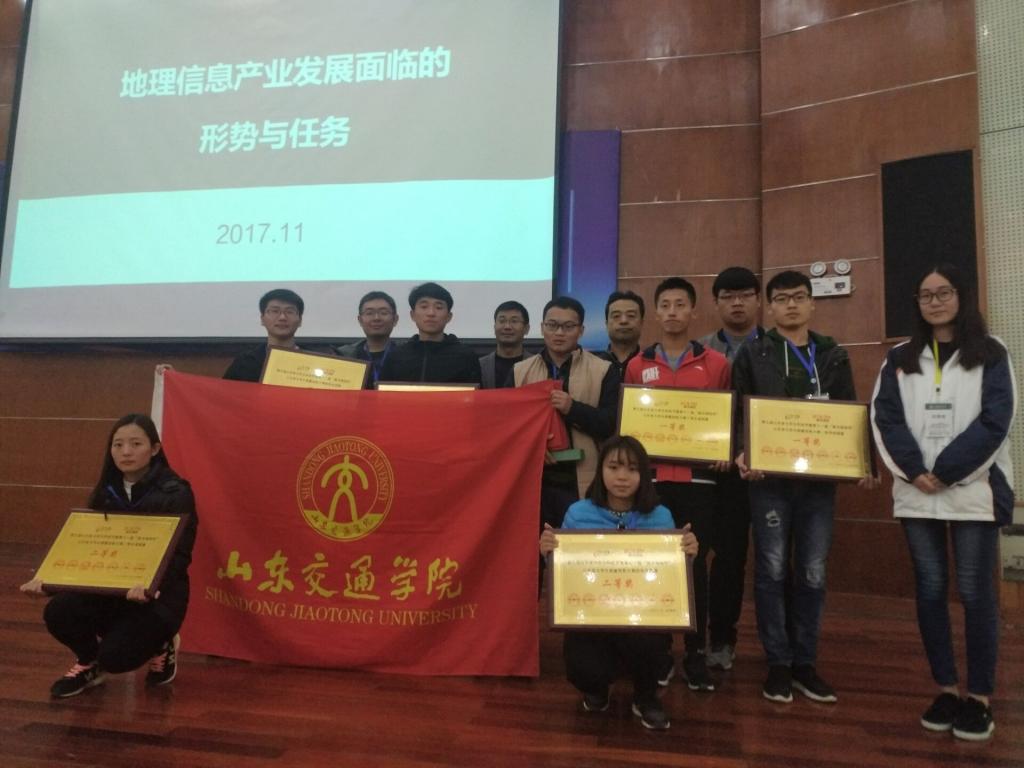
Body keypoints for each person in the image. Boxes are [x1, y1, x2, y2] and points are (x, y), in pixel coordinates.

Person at [871, 264, 1015, 741]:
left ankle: (980, 697)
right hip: (916, 492)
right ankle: (947, 689)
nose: (934, 302)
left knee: (975, 593)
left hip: (973, 490)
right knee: (930, 590)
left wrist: (947, 470)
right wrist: (915, 470)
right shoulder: (899, 357)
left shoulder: (992, 353)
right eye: (925, 295)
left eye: (943, 292)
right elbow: (885, 419)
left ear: (961, 296)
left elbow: (997, 420)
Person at [733, 270, 876, 705]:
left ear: (812, 303)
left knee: (813, 571)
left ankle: (805, 663)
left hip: (818, 484)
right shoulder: (753, 351)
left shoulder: (832, 354)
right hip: (769, 482)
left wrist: (862, 461)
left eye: (799, 297)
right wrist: (742, 452)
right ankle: (778, 662)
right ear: (769, 307)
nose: (791, 304)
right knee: (773, 570)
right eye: (781, 298)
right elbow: (738, 410)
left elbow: (849, 413)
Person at [20, 414, 198, 698]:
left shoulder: (176, 493)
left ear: (154, 448)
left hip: (158, 596)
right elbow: (84, 548)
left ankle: (162, 644)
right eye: (118, 445)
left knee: (117, 657)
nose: (126, 452)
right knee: (58, 611)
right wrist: (49, 582)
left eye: (136, 444)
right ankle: (89, 662)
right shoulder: (106, 491)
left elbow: (180, 556)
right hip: (111, 590)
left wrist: (152, 586)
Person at [540, 436, 698, 731]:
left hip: (643, 615)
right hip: (592, 612)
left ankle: (646, 696)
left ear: (644, 475)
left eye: (632, 469)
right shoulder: (578, 513)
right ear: (601, 470)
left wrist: (686, 554)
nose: (622, 477)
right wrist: (549, 553)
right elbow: (565, 575)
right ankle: (596, 690)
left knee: (650, 643)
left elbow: (669, 577)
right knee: (583, 665)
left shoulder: (660, 516)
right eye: (613, 467)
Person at [624, 277, 731, 692]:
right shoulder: (638, 364)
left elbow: (726, 419)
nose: (672, 311)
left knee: (694, 566)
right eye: (665, 305)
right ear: (656, 313)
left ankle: (696, 653)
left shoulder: (716, 363)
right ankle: (661, 652)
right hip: (652, 482)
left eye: (680, 304)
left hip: (700, 482)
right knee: (654, 565)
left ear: (693, 311)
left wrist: (723, 447)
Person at [696, 266, 765, 672]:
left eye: (744, 295)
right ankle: (691, 641)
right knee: (697, 555)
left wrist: (746, 451)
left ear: (757, 300)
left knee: (733, 559)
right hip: (707, 471)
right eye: (728, 296)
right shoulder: (700, 350)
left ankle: (723, 637)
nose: (737, 303)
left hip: (758, 472)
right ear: (716, 303)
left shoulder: (775, 348)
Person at [513, 296, 620, 524]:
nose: (559, 332)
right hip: (536, 477)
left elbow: (610, 424)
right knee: (537, 542)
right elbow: (508, 426)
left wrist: (572, 408)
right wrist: (533, 446)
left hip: (583, 477)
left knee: (578, 541)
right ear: (542, 328)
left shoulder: (603, 369)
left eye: (568, 326)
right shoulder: (520, 371)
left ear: (581, 330)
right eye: (552, 325)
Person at [377, 282, 482, 385]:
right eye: (424, 307)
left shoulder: (465, 357)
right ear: (413, 315)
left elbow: (476, 394)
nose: (431, 313)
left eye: (439, 307)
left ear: (449, 317)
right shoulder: (396, 356)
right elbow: (383, 393)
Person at [223, 288, 305, 382]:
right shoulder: (245, 362)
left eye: (289, 312)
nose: (282, 317)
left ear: (300, 320)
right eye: (275, 311)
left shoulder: (312, 361)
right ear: (262, 319)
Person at [336, 291, 400, 387]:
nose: (376, 318)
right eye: (369, 313)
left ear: (395, 319)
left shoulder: (406, 355)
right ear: (360, 320)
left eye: (383, 313)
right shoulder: (344, 356)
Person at [480, 300, 530, 389]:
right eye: (502, 321)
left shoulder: (537, 365)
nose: (507, 326)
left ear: (526, 328)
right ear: (494, 327)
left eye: (514, 321)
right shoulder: (480, 366)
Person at [595, 290, 644, 379]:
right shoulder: (594, 365)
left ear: (641, 323)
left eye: (631, 315)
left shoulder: (652, 365)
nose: (623, 321)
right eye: (616, 316)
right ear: (606, 324)